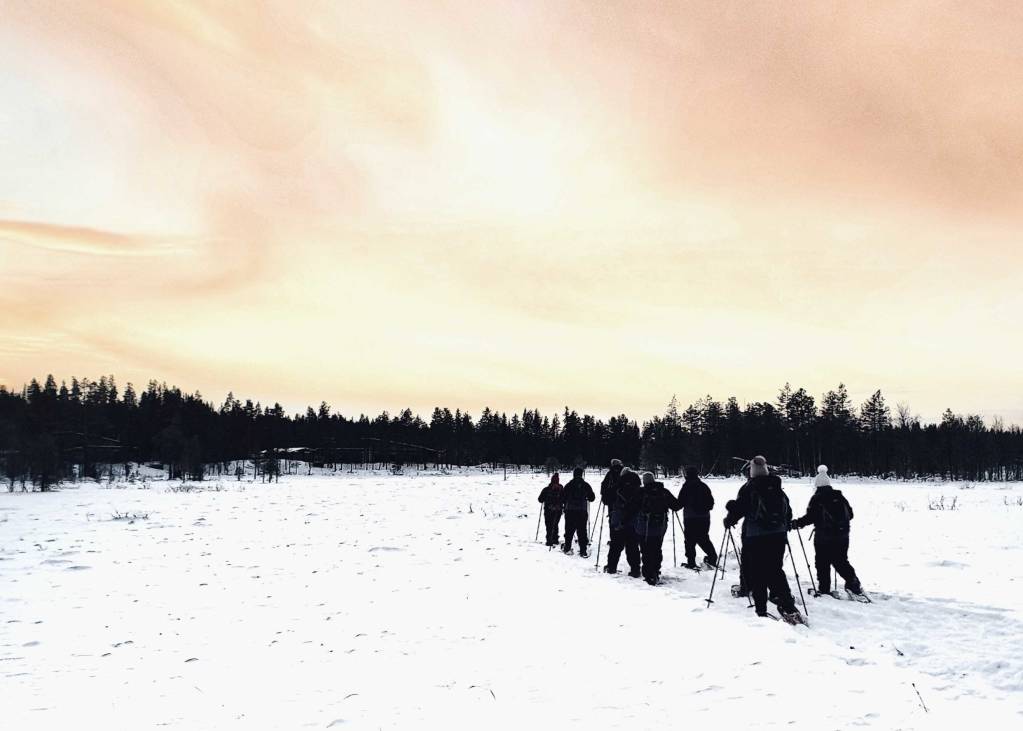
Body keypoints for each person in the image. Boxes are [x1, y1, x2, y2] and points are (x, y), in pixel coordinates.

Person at [723, 456, 804, 623]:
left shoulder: (748, 488)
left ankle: (761, 610)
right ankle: (788, 605)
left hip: (755, 536)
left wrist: (730, 515)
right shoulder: (777, 488)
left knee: (758, 571)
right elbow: (788, 511)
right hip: (778, 535)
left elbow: (740, 509)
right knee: (775, 570)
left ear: (751, 471)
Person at [792, 465, 864, 597]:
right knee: (841, 560)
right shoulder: (840, 496)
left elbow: (810, 517)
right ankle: (853, 583)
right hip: (843, 535)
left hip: (823, 538)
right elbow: (851, 514)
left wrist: (796, 524)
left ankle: (824, 589)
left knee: (822, 562)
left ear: (817, 485)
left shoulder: (817, 498)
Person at [633, 471, 682, 585]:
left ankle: (648, 574)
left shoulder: (641, 492)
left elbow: (632, 506)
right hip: (660, 526)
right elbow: (676, 505)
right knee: (656, 548)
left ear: (644, 481)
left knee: (645, 550)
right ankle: (655, 571)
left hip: (643, 527)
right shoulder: (663, 492)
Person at [677, 466, 718, 569]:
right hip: (704, 517)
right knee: (703, 538)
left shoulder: (686, 487)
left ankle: (691, 562)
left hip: (690, 518)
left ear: (687, 475)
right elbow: (711, 503)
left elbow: (679, 504)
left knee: (690, 540)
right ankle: (712, 557)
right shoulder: (703, 486)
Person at [604, 466, 641, 576]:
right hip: (634, 522)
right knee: (633, 546)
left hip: (617, 521)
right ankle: (635, 570)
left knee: (615, 546)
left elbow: (605, 499)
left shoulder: (617, 487)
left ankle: (611, 567)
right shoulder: (639, 489)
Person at [562, 467, 595, 557]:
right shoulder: (585, 485)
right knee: (582, 531)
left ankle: (567, 548)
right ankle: (583, 550)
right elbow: (592, 498)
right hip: (582, 511)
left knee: (569, 530)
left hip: (570, 510)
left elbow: (563, 496)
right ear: (582, 474)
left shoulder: (569, 484)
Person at [537, 473, 564, 547]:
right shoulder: (561, 488)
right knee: (555, 524)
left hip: (548, 510)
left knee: (549, 525)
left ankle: (549, 540)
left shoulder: (546, 489)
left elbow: (540, 499)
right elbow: (564, 498)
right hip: (558, 510)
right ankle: (555, 539)